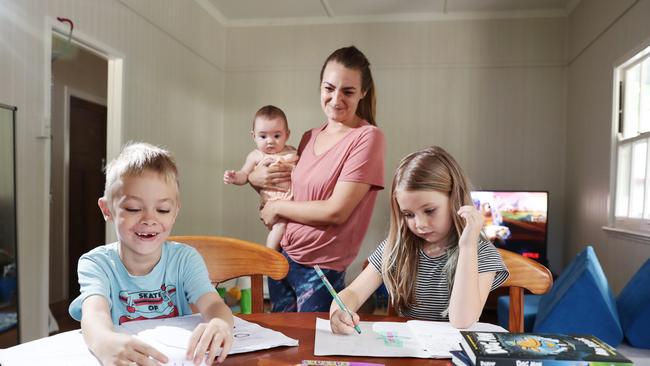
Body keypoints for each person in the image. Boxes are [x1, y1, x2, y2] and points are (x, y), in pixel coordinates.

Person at [68, 142, 234, 366]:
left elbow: (214, 305)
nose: (149, 219)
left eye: (163, 210)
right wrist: (105, 343)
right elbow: (94, 315)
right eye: (134, 209)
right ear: (107, 209)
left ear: (175, 211)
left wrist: (220, 323)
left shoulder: (185, 259)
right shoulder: (96, 264)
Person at [250, 46, 386, 312]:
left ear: (363, 93)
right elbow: (285, 188)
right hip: (283, 254)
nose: (336, 99)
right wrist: (255, 177)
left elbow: (336, 211)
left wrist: (275, 208)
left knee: (312, 348)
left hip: (321, 266)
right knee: (282, 344)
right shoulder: (308, 137)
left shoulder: (367, 138)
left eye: (347, 91)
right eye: (329, 88)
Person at [329, 146, 509, 333]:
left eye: (429, 211)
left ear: (455, 199)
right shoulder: (397, 248)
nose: (420, 224)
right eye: (408, 214)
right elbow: (353, 293)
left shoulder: (481, 254)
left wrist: (467, 247)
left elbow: (463, 321)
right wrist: (339, 312)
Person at [223, 105, 298, 250]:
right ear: (254, 136)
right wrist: (234, 177)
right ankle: (270, 255)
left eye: (277, 136)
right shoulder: (256, 156)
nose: (270, 141)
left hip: (295, 201)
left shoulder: (292, 151)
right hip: (273, 203)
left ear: (287, 135)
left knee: (293, 230)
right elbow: (244, 175)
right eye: (263, 136)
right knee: (280, 227)